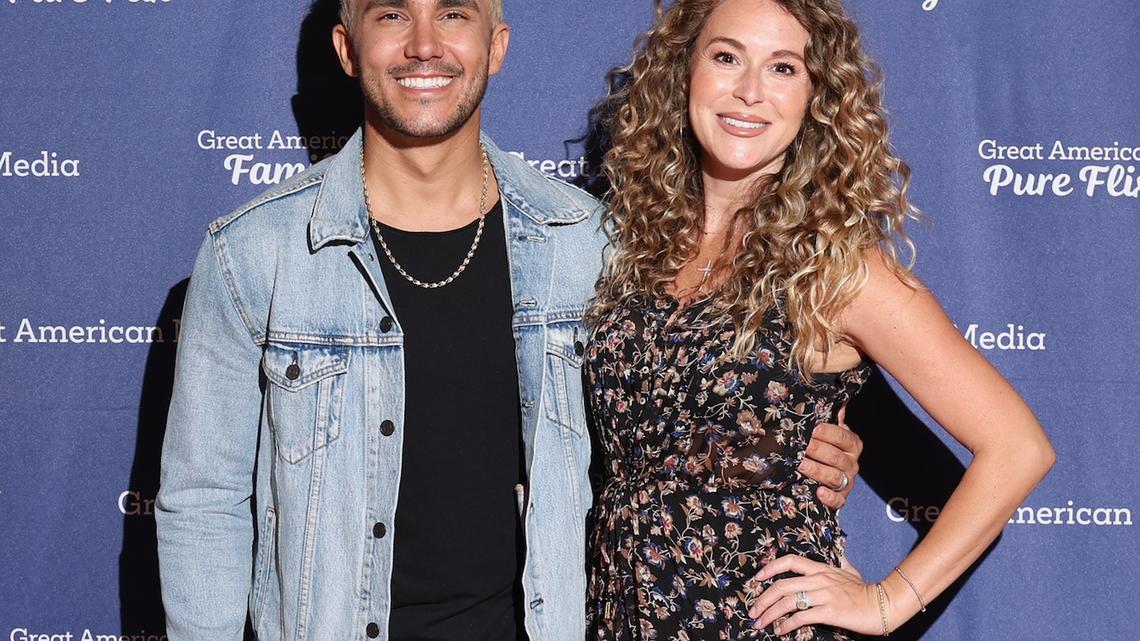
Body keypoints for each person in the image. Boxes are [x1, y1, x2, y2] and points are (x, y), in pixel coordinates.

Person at [154, 1, 863, 640]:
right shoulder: (253, 254)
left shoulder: (589, 243)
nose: (425, 45)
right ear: (347, 48)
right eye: (393, 16)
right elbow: (204, 503)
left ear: (497, 46)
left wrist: (784, 442)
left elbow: (673, 412)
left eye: (455, 15)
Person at [582, 0, 1055, 639]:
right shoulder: (627, 248)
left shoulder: (834, 268)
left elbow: (1018, 447)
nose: (749, 93)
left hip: (760, 623)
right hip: (617, 616)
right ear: (682, 71)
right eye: (726, 58)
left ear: (815, 97)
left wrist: (887, 601)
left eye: (782, 68)